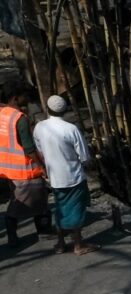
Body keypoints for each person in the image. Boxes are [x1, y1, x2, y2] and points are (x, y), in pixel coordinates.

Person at [33, 95, 92, 255]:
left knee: (60, 209)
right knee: (76, 210)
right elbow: (85, 157)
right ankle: (78, 245)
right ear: (65, 110)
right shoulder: (71, 129)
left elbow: (39, 149)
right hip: (73, 176)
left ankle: (60, 244)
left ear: (47, 109)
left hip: (55, 177)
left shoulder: (40, 127)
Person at [0, 83, 49, 247]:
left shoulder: (3, 113)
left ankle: (14, 235)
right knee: (33, 200)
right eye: (24, 97)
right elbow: (29, 148)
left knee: (19, 200)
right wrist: (41, 166)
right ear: (15, 98)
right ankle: (42, 230)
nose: (27, 100)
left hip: (7, 168)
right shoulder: (20, 119)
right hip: (24, 169)